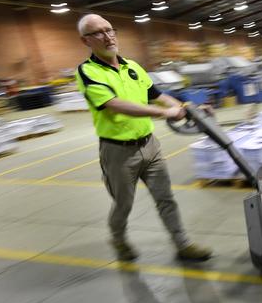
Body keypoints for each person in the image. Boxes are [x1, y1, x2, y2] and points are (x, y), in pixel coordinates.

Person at [75, 14, 212, 262]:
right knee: (123, 204)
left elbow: (159, 96)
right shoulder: (88, 72)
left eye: (109, 30)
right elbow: (114, 104)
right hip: (118, 152)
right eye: (98, 33)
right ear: (86, 41)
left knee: (165, 198)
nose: (107, 36)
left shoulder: (133, 67)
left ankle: (183, 244)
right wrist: (164, 113)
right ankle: (118, 238)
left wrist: (187, 108)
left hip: (150, 147)